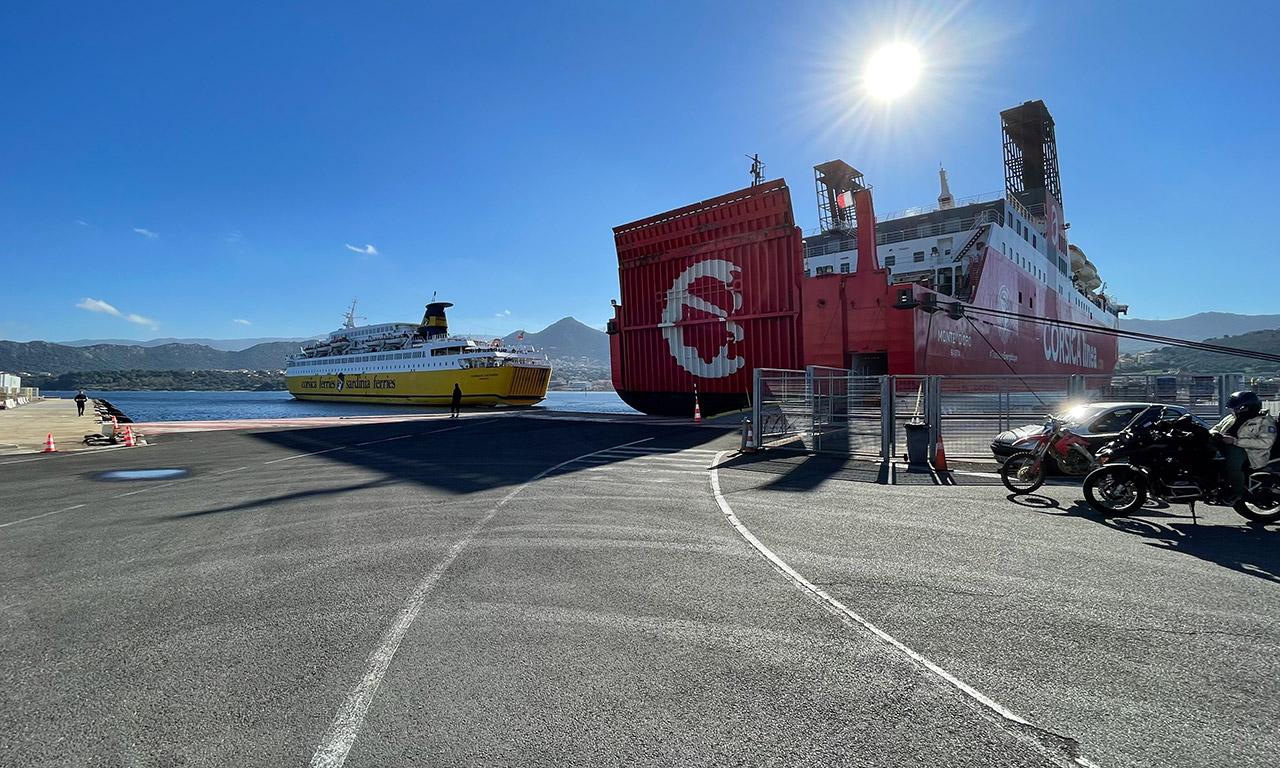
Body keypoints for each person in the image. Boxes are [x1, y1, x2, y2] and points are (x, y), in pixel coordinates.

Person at [1210, 391, 1277, 501]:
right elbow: (1216, 428)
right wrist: (1213, 434)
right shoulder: (1231, 417)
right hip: (1224, 444)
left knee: (1232, 463)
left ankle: (1238, 494)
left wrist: (1235, 441)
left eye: (1239, 408)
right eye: (1234, 408)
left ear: (1250, 406)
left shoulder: (1264, 421)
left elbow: (1265, 442)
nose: (1235, 411)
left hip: (1250, 452)